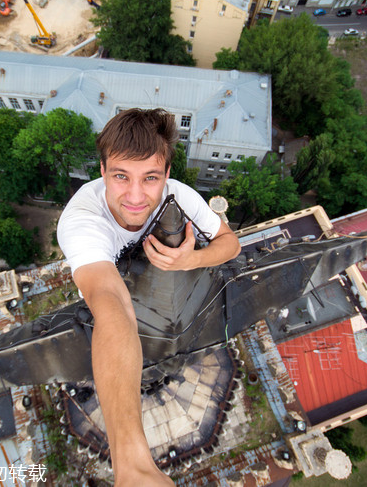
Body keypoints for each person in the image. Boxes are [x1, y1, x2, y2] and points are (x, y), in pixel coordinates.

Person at [57, 108, 241, 485]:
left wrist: (193, 258)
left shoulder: (179, 196)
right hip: (117, 319)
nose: (137, 197)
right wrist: (133, 466)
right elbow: (111, 302)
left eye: (151, 178)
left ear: (167, 176)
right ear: (103, 171)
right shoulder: (82, 221)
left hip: (163, 307)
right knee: (114, 312)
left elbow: (231, 244)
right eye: (122, 176)